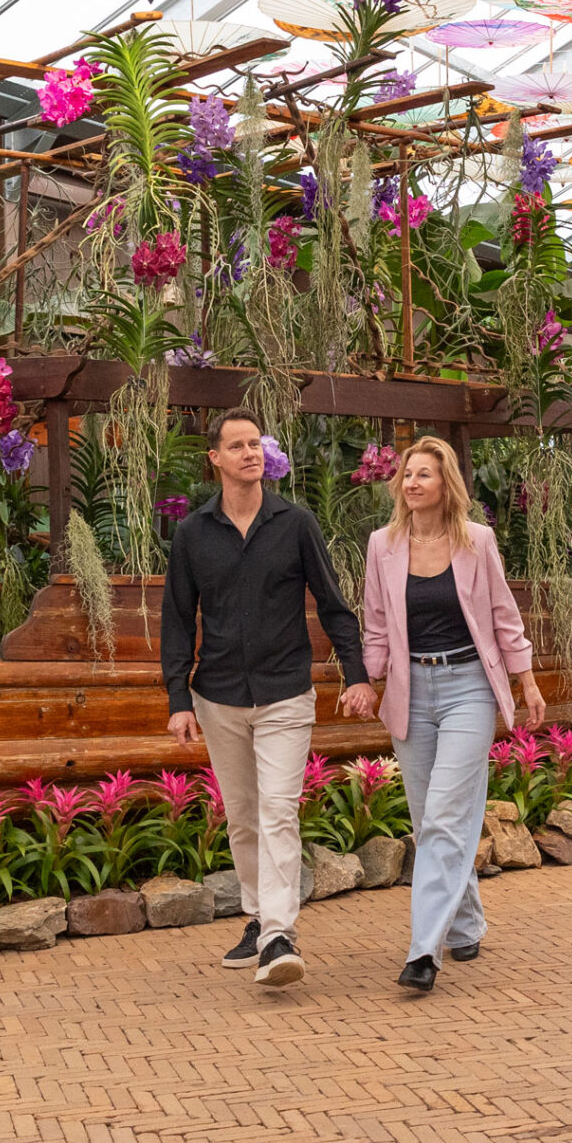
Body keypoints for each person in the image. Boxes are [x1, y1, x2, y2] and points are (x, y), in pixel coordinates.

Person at [162, 408, 375, 989]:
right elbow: (178, 621)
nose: (250, 453)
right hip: (219, 696)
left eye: (256, 443)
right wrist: (178, 697)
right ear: (216, 459)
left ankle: (280, 932)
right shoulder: (191, 534)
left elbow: (333, 605)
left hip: (285, 691)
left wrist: (356, 674)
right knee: (244, 816)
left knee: (278, 808)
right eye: (237, 445)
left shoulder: (295, 523)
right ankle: (257, 918)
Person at [358, 438, 546, 994]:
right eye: (407, 475)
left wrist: (526, 681)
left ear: (446, 485)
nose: (412, 482)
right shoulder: (382, 545)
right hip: (410, 690)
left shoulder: (477, 541)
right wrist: (367, 683)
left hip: (468, 685)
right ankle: (464, 923)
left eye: (424, 474)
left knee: (444, 814)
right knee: (430, 819)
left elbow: (504, 617)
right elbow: (373, 624)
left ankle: (423, 952)